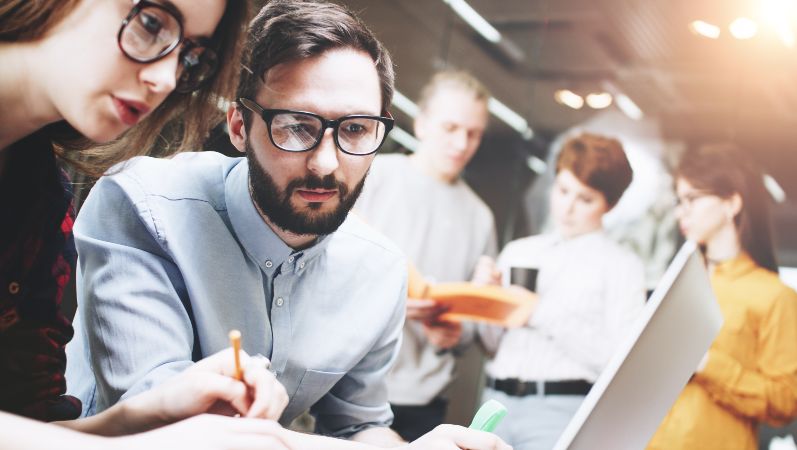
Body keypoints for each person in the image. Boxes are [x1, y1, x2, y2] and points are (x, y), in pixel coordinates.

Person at [65, 1, 511, 449]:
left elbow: (358, 426)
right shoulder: (146, 205)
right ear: (239, 126)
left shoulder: (378, 271)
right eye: (296, 126)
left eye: (355, 130)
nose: (326, 163)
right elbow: (166, 424)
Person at [0, 0, 294, 448]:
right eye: (151, 24)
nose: (165, 79)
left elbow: (28, 429)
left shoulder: (38, 195)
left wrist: (157, 411)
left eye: (188, 56)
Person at [473, 133, 646, 450]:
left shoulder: (622, 266)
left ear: (611, 203)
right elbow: (492, 346)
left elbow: (618, 360)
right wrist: (487, 301)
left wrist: (537, 311)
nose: (567, 208)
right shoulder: (519, 251)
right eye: (563, 190)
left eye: (585, 199)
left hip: (560, 410)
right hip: (494, 400)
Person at [355, 70, 496, 440]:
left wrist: (456, 333)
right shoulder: (371, 178)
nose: (462, 143)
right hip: (348, 383)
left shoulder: (480, 217)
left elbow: (473, 330)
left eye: (474, 133)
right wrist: (390, 301)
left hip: (425, 399)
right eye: (450, 127)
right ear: (421, 124)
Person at [647, 144, 797, 450]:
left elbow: (785, 401)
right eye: (679, 200)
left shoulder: (773, 295)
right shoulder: (671, 286)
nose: (680, 211)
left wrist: (706, 364)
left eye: (692, 199)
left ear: (731, 204)